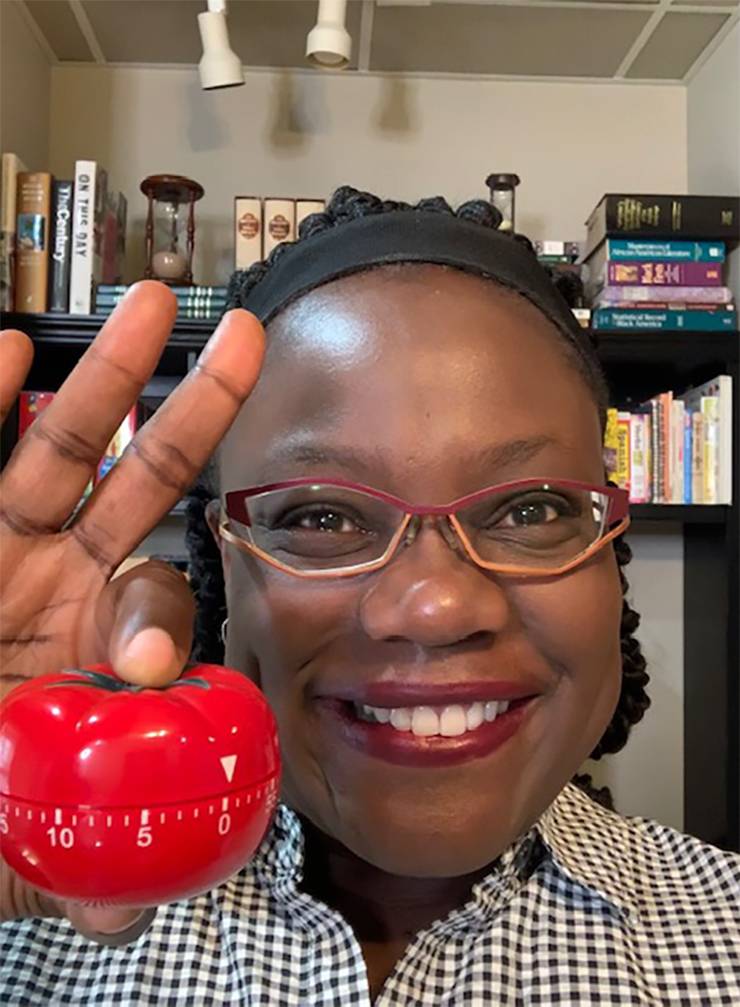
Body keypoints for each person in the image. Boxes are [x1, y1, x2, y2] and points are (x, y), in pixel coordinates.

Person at [1, 187, 738, 1005]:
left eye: (530, 510)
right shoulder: (30, 936)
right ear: (222, 568)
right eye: (322, 516)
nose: (436, 607)